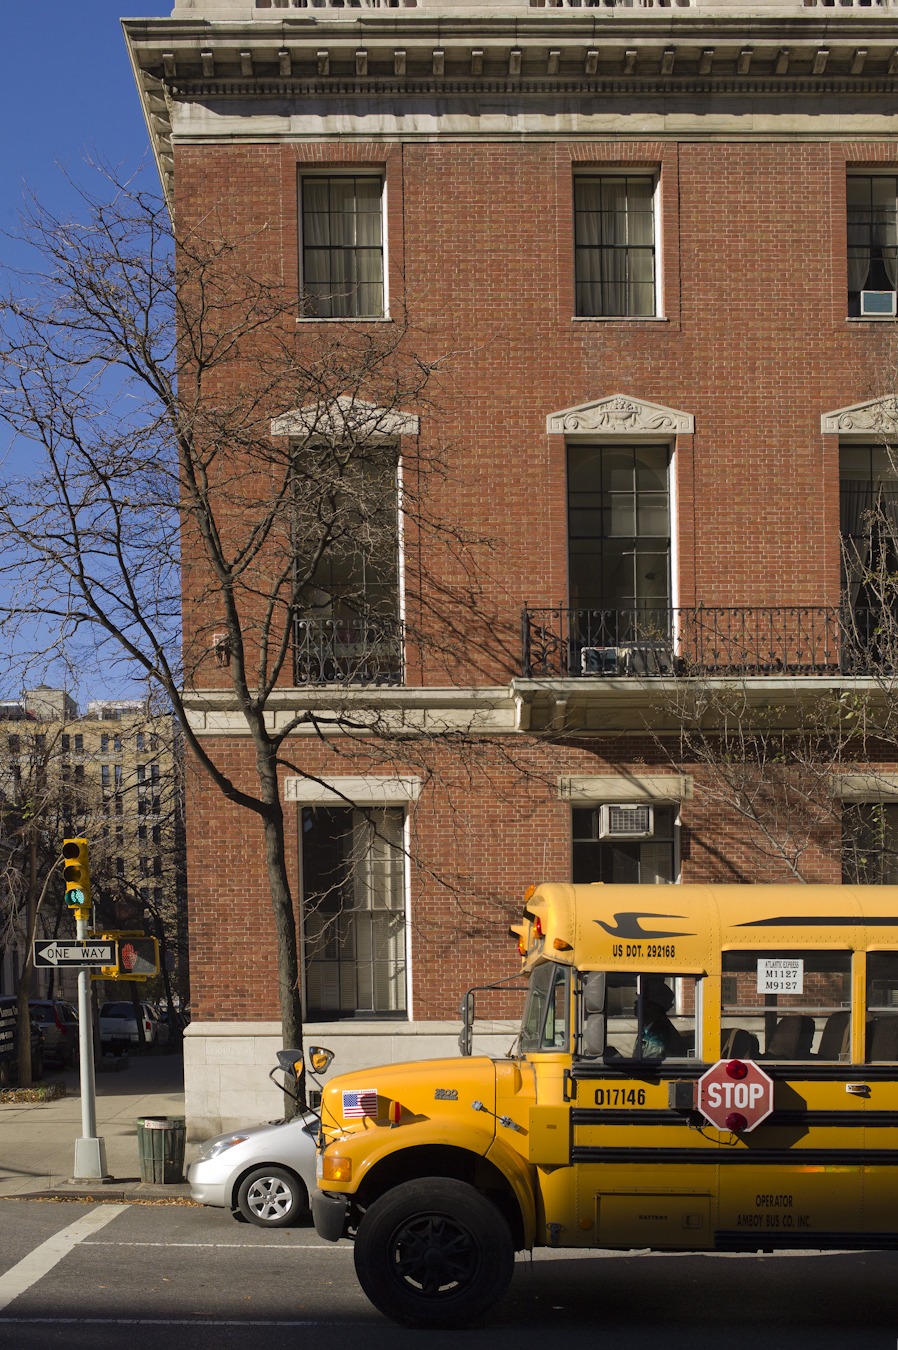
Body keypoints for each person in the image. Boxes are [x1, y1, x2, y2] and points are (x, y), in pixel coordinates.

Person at [637, 978, 685, 1060]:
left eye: (642, 1001)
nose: (636, 1003)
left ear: (654, 1007)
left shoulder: (660, 1033)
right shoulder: (648, 1027)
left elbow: (648, 1063)